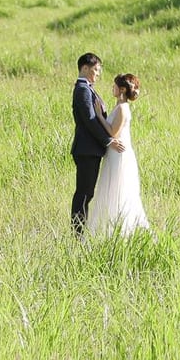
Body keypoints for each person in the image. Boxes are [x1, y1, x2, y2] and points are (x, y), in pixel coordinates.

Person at [86, 73, 150, 237]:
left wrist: (99, 116)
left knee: (117, 188)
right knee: (111, 187)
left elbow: (113, 132)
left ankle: (121, 231)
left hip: (119, 153)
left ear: (122, 90)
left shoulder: (122, 108)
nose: (112, 88)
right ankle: (109, 229)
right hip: (114, 152)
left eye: (114, 86)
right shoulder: (118, 106)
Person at [71, 52, 124, 236]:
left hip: (91, 149)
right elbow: (90, 120)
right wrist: (108, 140)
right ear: (84, 68)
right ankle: (78, 234)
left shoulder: (88, 88)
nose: (97, 74)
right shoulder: (82, 90)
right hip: (86, 149)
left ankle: (80, 232)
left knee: (87, 193)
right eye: (95, 70)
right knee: (84, 194)